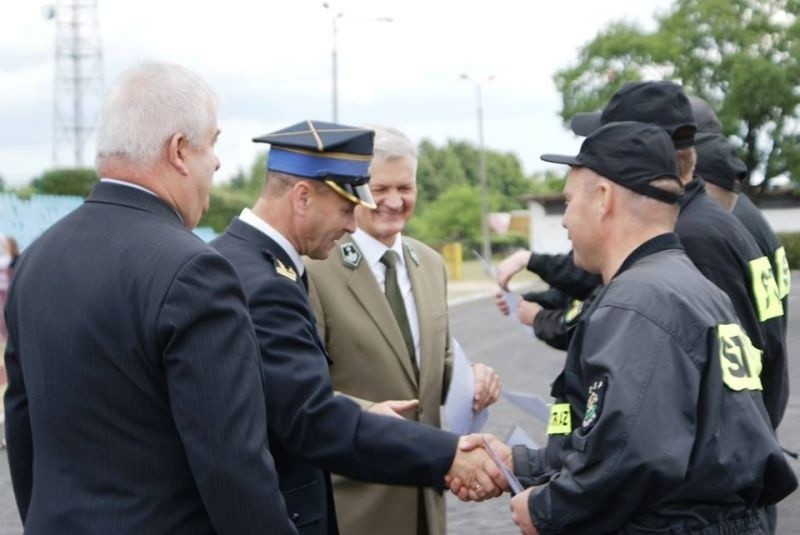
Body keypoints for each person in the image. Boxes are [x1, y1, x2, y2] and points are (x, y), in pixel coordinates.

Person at [3, 63, 296, 534]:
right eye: (213, 143)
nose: (217, 163)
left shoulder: (37, 259)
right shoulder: (194, 271)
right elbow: (232, 465)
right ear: (179, 150)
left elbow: (23, 431)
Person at [474, 122, 797, 533]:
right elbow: (625, 437)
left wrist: (545, 509)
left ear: (604, 198)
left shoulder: (638, 301)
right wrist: (519, 464)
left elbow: (632, 457)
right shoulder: (687, 285)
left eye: (569, 201)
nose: (564, 220)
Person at [210, 120, 504, 535]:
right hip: (343, 502)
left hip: (415, 501)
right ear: (302, 197)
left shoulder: (251, 264)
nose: (353, 224)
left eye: (404, 189)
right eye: (349, 208)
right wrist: (449, 454)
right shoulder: (267, 279)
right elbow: (309, 414)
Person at [305, 125, 501, 535]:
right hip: (356, 500)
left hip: (426, 499)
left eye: (405, 188)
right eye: (380, 188)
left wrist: (471, 377)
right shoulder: (316, 269)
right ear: (355, 189)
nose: (394, 202)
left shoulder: (429, 264)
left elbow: (436, 359)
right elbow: (303, 391)